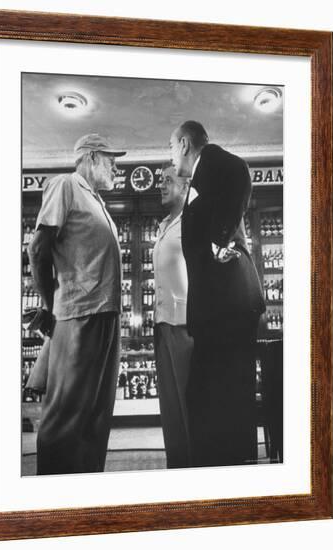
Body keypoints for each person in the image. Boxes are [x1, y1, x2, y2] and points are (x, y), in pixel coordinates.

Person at [27, 133, 126, 475]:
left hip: (105, 316)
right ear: (92, 158)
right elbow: (38, 249)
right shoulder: (66, 185)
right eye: (112, 160)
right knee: (66, 417)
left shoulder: (97, 201)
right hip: (80, 313)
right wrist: (48, 304)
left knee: (95, 418)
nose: (117, 166)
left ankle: (84, 492)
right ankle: (51, 500)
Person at [169, 120, 266, 467]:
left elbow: (240, 171)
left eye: (170, 148)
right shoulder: (200, 174)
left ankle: (233, 472)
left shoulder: (215, 161)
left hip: (227, 305)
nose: (171, 156)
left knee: (227, 395)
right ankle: (224, 466)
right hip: (216, 308)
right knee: (214, 396)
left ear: (183, 144)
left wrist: (218, 240)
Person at [153, 162, 194, 468]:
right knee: (169, 406)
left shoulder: (194, 220)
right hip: (162, 323)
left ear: (184, 186)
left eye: (167, 180)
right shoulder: (165, 224)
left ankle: (195, 467)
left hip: (185, 325)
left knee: (189, 405)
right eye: (161, 181)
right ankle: (177, 465)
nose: (161, 185)